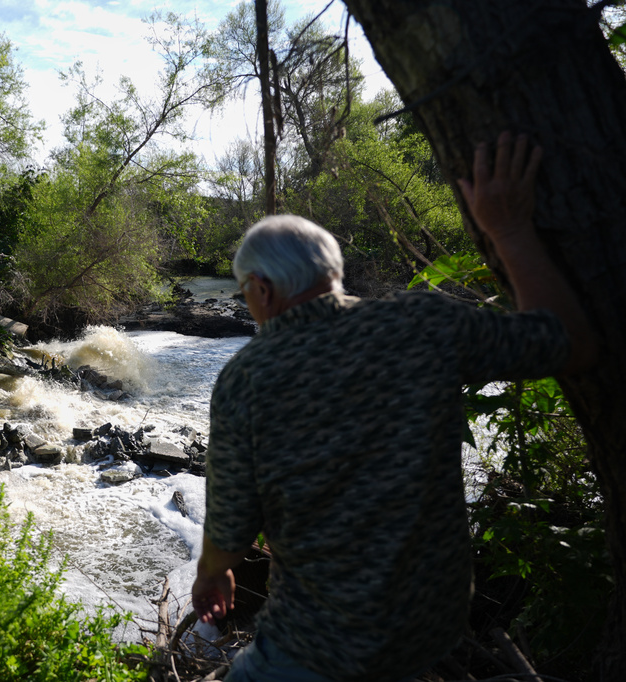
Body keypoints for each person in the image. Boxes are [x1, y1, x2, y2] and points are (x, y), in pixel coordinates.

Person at [191, 132, 597, 682]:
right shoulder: (424, 325)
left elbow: (231, 528)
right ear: (331, 273)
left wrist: (213, 576)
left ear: (261, 290)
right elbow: (568, 342)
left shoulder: (247, 378)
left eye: (242, 293)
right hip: (428, 629)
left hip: (316, 642)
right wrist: (509, 228)